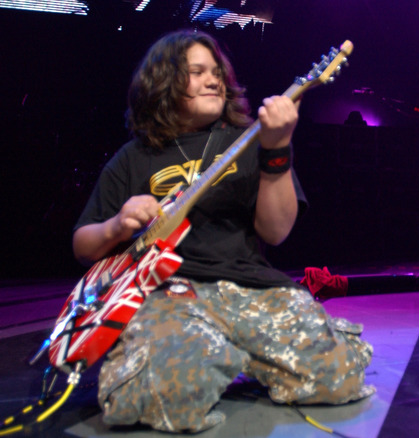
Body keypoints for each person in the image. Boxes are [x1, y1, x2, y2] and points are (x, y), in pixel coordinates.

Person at [72, 30, 374, 432]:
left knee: (340, 379)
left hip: (248, 287)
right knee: (156, 400)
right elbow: (83, 246)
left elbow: (276, 231)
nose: (213, 80)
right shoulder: (134, 157)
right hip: (172, 294)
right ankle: (214, 351)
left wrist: (278, 147)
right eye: (197, 72)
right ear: (162, 83)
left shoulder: (249, 140)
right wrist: (116, 224)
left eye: (216, 72)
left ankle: (227, 351)